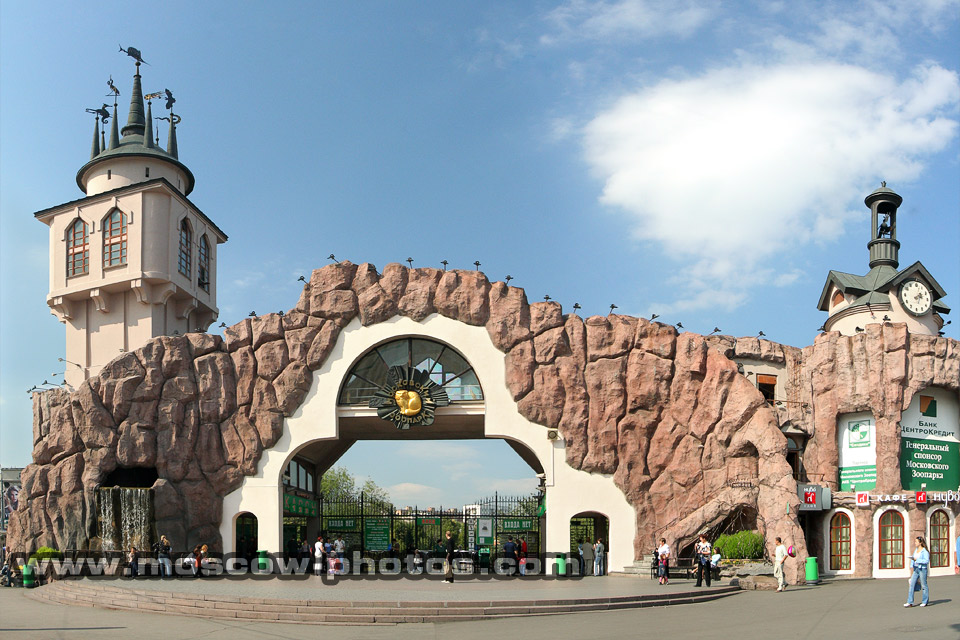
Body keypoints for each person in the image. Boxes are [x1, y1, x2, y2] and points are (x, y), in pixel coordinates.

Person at [904, 536, 930, 607]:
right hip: (916, 569)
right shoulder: (916, 550)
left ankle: (925, 601)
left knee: (924, 585)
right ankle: (910, 601)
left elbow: (926, 560)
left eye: (916, 542)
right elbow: (913, 558)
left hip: (922, 569)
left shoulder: (924, 551)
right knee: (911, 584)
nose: (915, 543)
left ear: (920, 542)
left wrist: (917, 560)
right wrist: (911, 565)